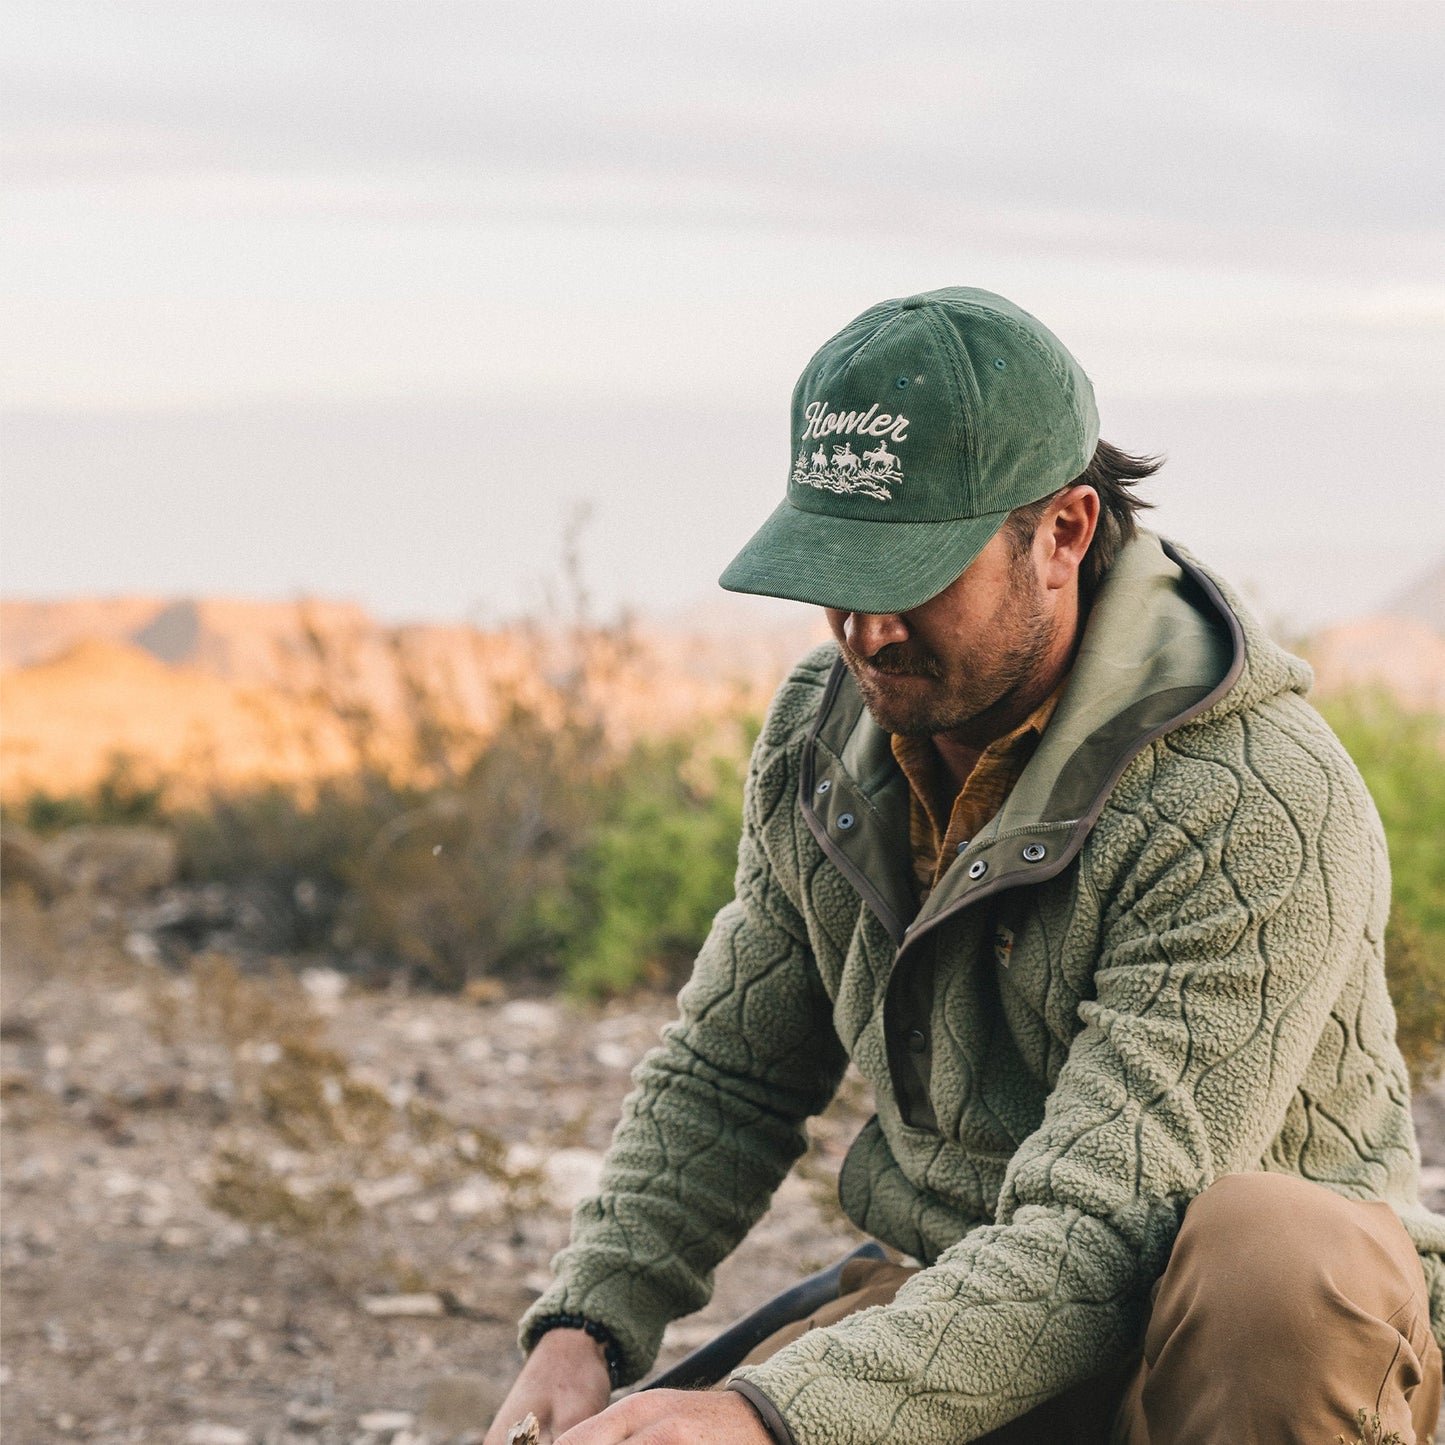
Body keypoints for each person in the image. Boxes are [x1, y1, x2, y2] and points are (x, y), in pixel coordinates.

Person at [485, 288, 1445, 1444]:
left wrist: (767, 1414)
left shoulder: (1245, 796)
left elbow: (1104, 1231)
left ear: (1064, 532)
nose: (864, 628)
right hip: (960, 1310)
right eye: (836, 569)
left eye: (910, 576)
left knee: (1273, 1256)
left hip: (1234, 1354)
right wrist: (585, 1324)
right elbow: (732, 1071)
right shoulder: (818, 737)